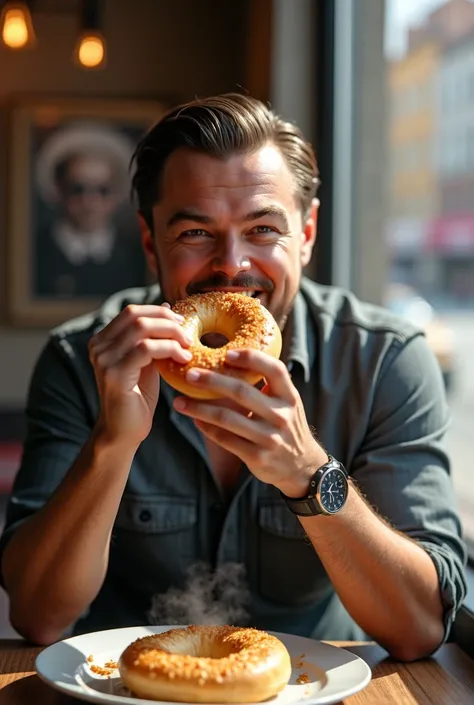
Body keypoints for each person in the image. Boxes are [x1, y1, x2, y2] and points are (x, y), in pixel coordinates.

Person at [0, 94, 466, 660]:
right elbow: (38, 616)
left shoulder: (383, 361)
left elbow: (419, 628)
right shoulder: (83, 360)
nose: (232, 264)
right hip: (126, 688)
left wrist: (308, 473)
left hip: (314, 686)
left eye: (263, 229)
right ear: (151, 244)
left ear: (308, 233)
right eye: (195, 233)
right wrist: (113, 443)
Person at [34, 122, 147, 298]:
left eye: (103, 190)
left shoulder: (135, 255)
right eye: (78, 189)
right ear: (60, 190)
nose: (90, 202)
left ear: (117, 194)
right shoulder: (35, 252)